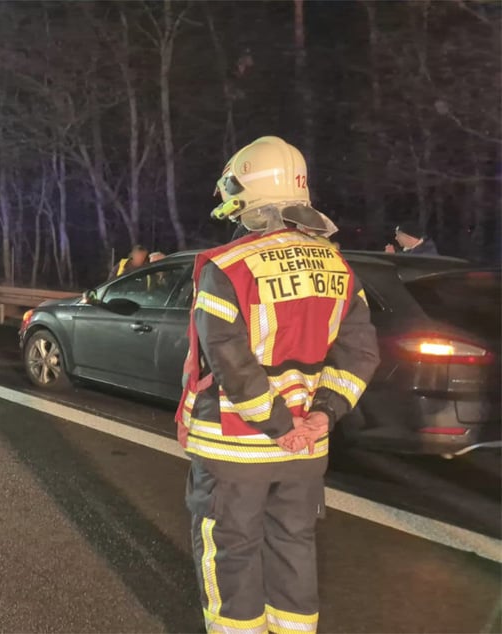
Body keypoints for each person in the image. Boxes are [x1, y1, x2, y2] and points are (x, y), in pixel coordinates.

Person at [177, 136, 380, 634]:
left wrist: (277, 423)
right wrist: (320, 416)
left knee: (231, 552)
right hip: (306, 449)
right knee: (293, 546)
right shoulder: (337, 266)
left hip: (238, 447)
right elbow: (360, 355)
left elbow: (230, 361)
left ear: (247, 191)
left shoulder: (227, 267)